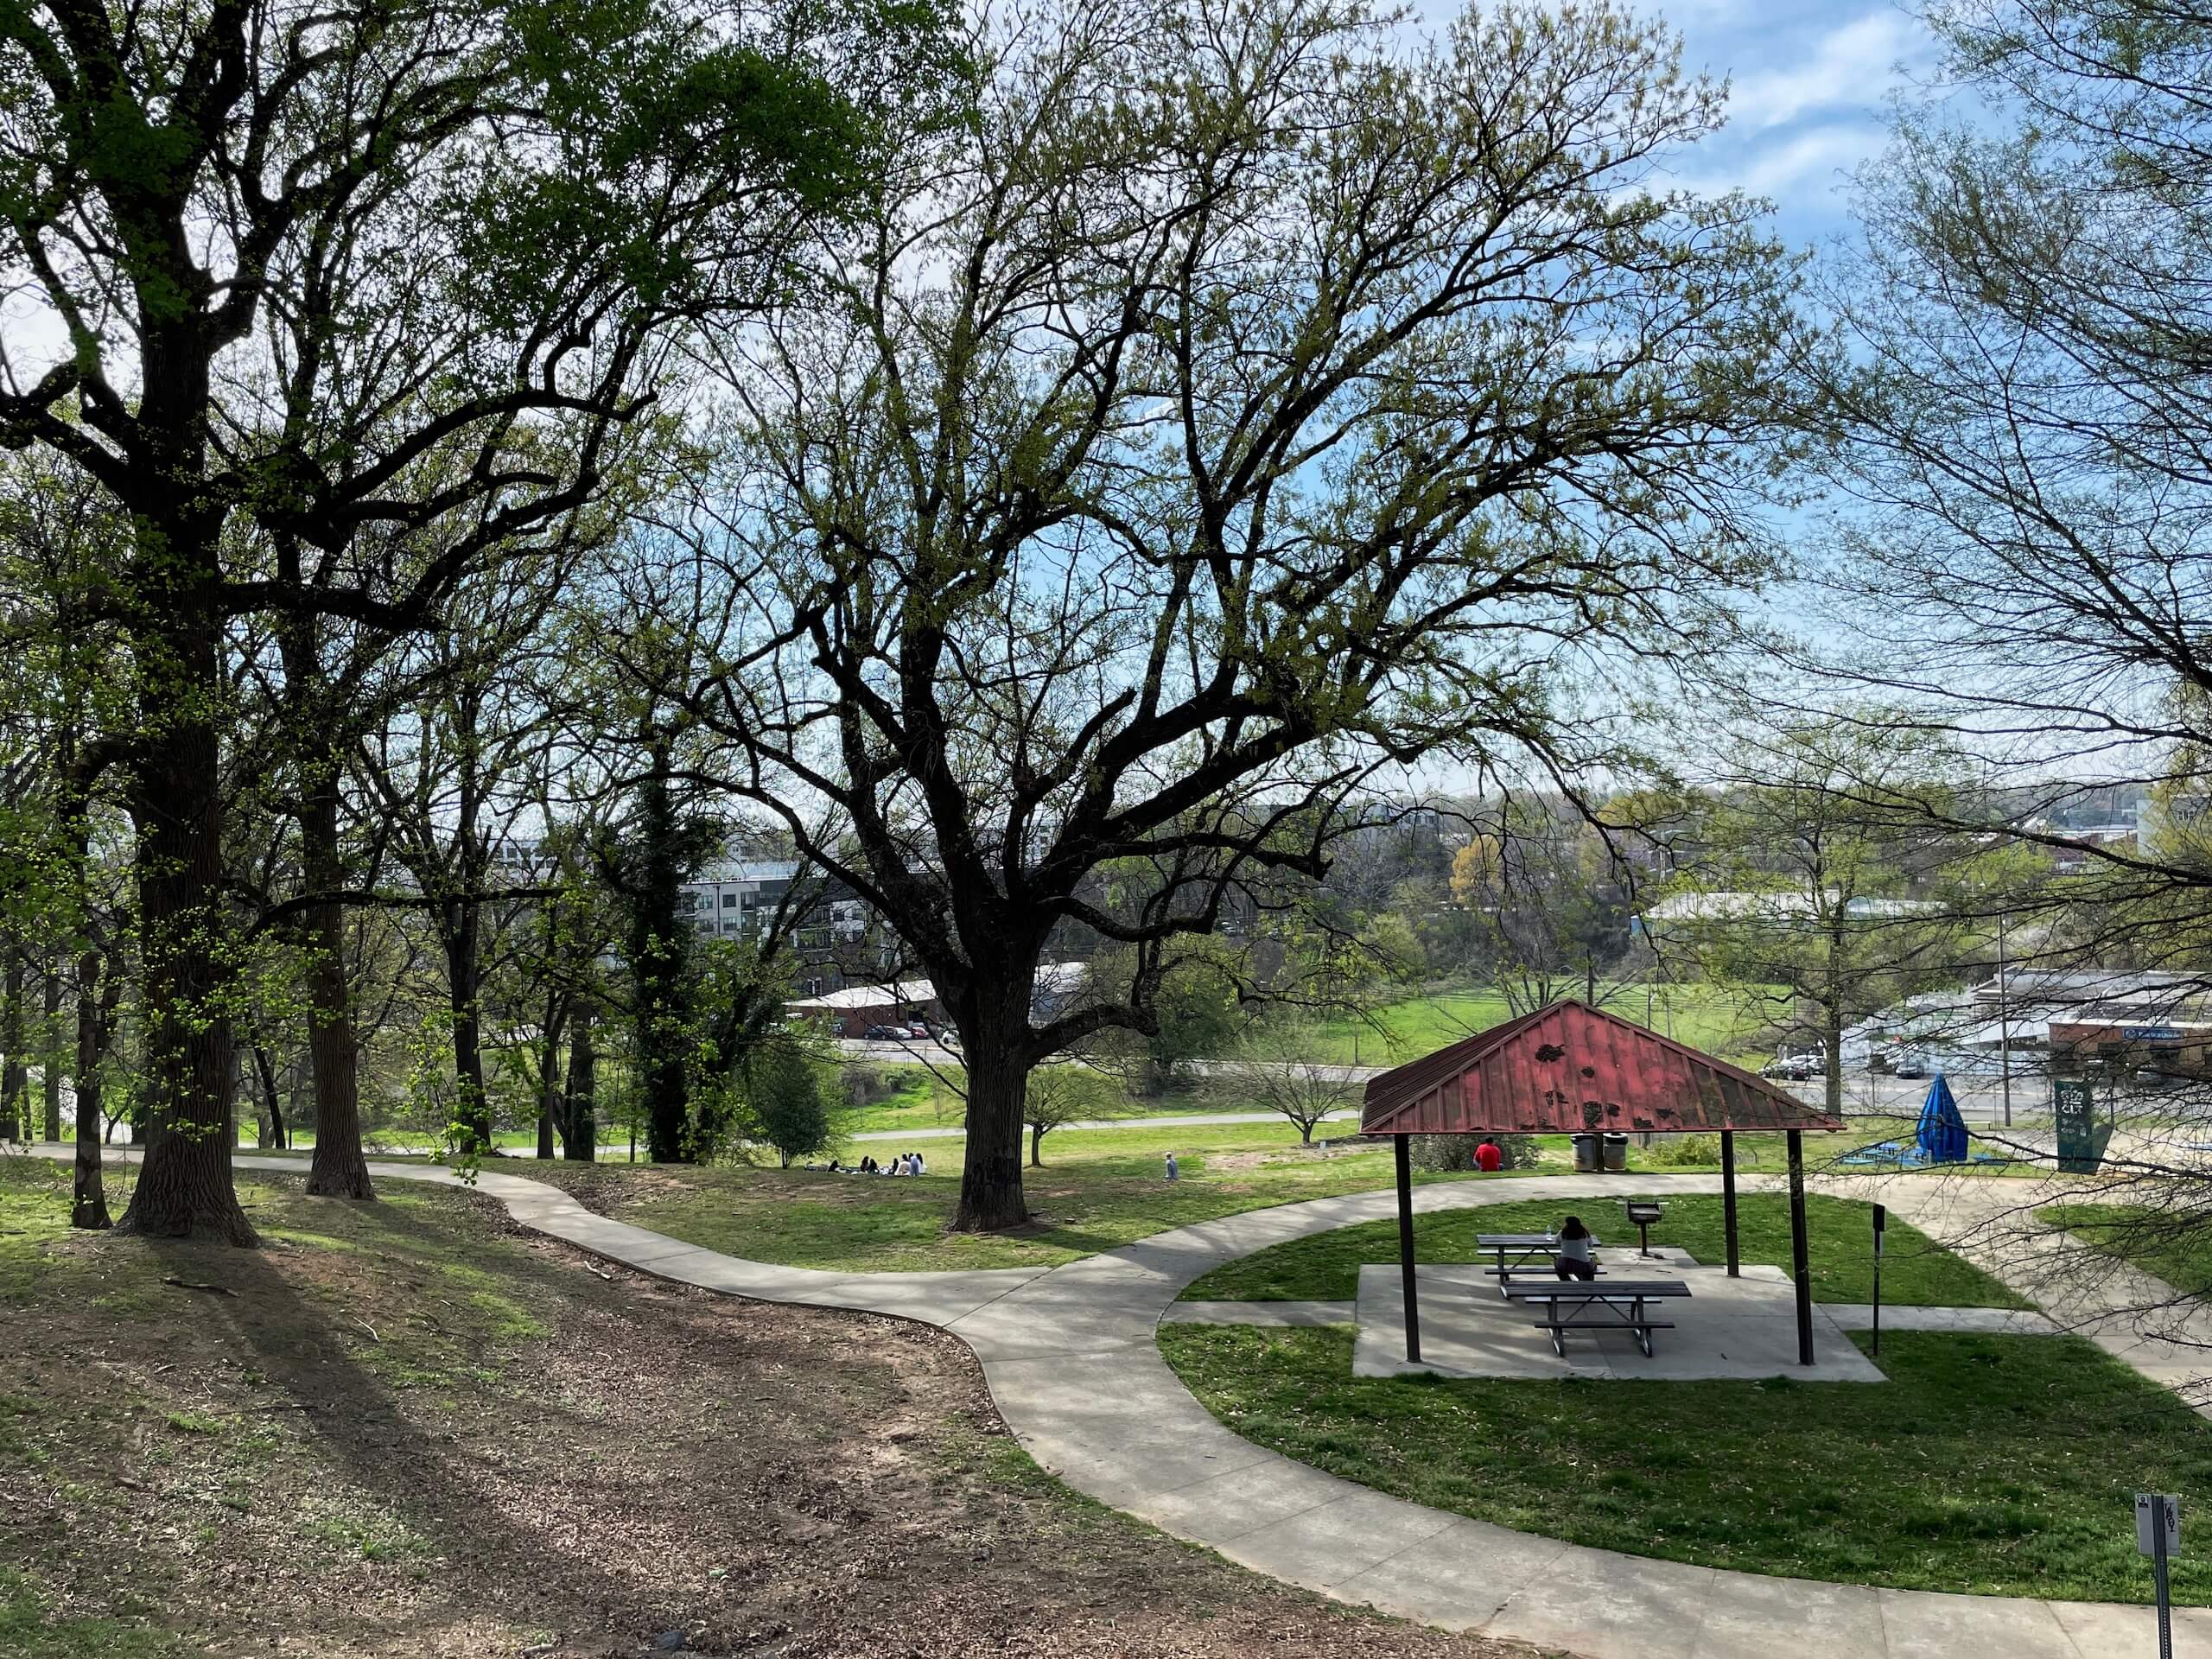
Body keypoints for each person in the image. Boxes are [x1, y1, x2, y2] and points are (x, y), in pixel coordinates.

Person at [1552, 1215, 1597, 1281]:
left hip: (1566, 1264)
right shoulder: (1584, 1233)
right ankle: (1587, 1282)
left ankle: (1566, 1281)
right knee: (1592, 1265)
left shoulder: (1563, 1233)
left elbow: (1557, 1242)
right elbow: (1591, 1244)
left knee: (1557, 1263)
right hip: (1583, 1265)